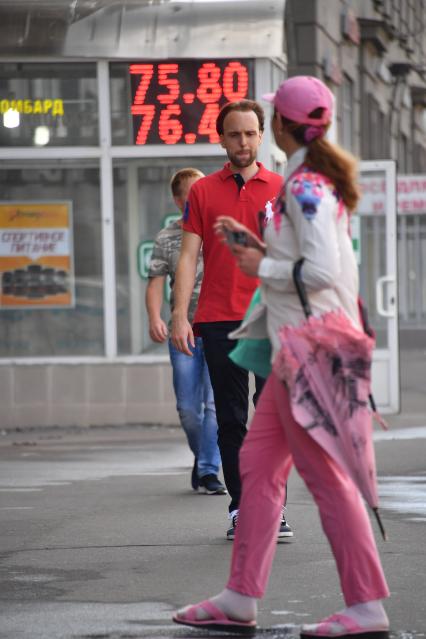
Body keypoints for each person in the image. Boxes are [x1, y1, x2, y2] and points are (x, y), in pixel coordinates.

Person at [172, 76, 390, 638]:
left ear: (283, 127)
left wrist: (259, 266)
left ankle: (365, 606)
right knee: (257, 468)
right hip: (295, 346)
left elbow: (321, 272)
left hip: (308, 349)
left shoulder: (303, 187)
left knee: (324, 479)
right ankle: (240, 597)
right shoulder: (308, 179)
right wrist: (264, 254)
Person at [171, 100, 293, 541]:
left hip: (272, 318)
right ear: (221, 138)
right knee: (231, 419)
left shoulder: (282, 188)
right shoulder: (202, 192)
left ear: (261, 136)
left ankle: (273, 507)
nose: (242, 141)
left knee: (274, 419)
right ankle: (242, 507)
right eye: (233, 134)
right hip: (219, 319)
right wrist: (180, 314)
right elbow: (187, 257)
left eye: (249, 133)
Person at [146, 168, 226, 496]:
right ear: (179, 200)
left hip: (220, 326)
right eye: (193, 194)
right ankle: (204, 457)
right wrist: (155, 317)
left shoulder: (221, 229)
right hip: (184, 332)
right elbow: (154, 283)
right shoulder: (167, 238)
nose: (201, 198)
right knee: (188, 408)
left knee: (216, 405)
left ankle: (208, 471)